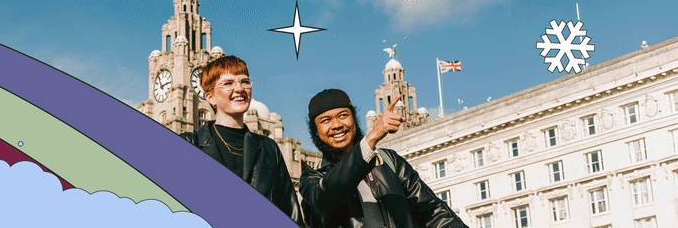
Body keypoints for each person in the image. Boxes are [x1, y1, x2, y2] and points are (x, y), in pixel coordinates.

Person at [301, 89, 467, 228]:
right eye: (326, 120)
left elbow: (432, 212)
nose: (337, 125)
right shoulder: (312, 179)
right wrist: (372, 138)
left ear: (354, 119)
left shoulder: (390, 161)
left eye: (343, 115)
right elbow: (323, 201)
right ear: (315, 131)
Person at [177, 56, 303, 226]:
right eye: (228, 83)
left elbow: (292, 215)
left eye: (244, 81)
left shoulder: (268, 148)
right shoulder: (188, 145)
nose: (239, 88)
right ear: (211, 97)